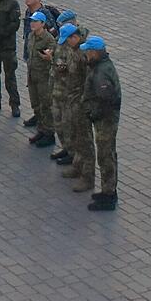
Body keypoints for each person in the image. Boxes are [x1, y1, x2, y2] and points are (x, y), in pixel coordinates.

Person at [79, 36, 121, 211]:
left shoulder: (102, 72)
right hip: (104, 118)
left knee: (106, 156)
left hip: (105, 120)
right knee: (106, 155)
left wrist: (94, 114)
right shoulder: (99, 66)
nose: (86, 54)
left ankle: (109, 195)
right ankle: (107, 190)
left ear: (94, 52)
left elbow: (106, 100)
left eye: (87, 51)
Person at [59, 24, 95, 193]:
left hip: (81, 103)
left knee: (85, 140)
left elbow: (88, 82)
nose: (66, 44)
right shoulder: (74, 50)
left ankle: (88, 178)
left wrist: (83, 102)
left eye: (67, 40)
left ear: (75, 37)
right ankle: (77, 166)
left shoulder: (83, 55)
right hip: (72, 100)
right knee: (75, 136)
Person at [48, 10, 80, 165]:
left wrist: (57, 63)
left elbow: (74, 69)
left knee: (69, 125)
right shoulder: (63, 38)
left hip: (70, 91)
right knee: (58, 121)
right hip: (57, 87)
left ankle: (73, 153)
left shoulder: (79, 44)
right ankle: (66, 147)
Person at [25, 13, 56, 148]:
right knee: (36, 104)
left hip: (44, 77)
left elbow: (54, 56)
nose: (32, 24)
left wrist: (49, 57)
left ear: (42, 24)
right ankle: (41, 130)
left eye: (36, 21)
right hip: (32, 75)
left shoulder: (49, 39)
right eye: (31, 21)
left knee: (46, 105)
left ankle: (49, 133)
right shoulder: (31, 36)